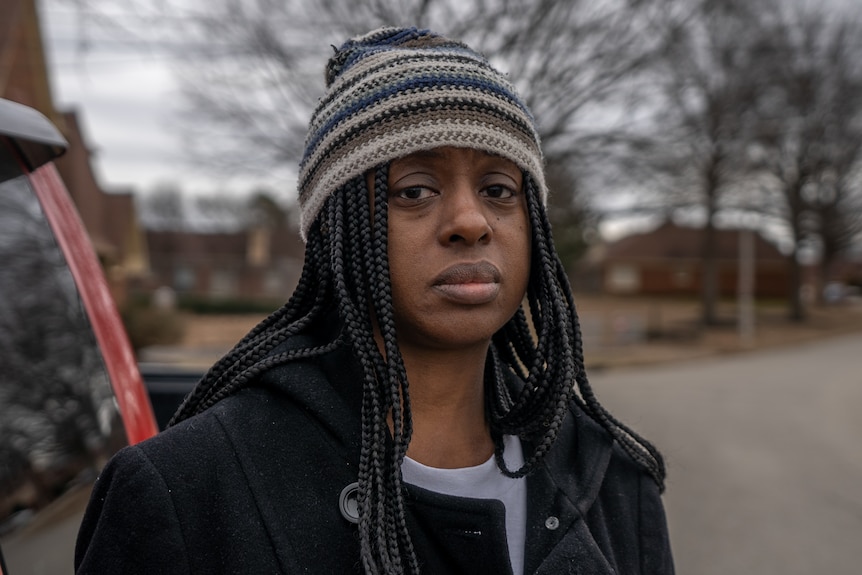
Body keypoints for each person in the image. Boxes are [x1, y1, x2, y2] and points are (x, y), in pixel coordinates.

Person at [75, 26, 674, 575]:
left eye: (498, 189)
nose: (470, 221)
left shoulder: (610, 471)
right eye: (414, 190)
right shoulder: (190, 488)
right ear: (337, 235)